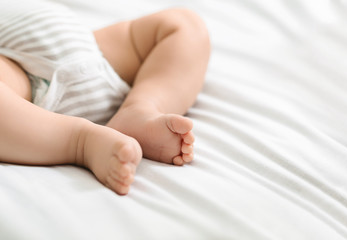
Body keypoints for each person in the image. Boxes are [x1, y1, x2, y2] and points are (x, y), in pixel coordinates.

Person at [0, 1, 210, 195]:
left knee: (184, 24)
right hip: (14, 71)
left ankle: (140, 108)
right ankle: (80, 141)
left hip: (87, 46)